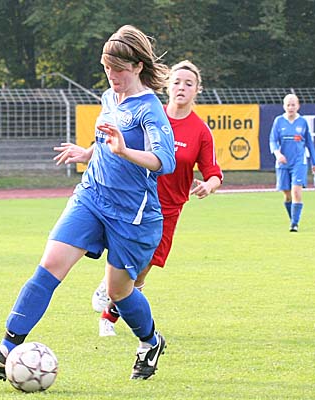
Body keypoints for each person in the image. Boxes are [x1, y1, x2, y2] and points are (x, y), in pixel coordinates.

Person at [0, 24, 175, 381]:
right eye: (107, 68)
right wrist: (89, 152)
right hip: (92, 197)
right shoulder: (109, 97)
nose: (112, 76)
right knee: (49, 265)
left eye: (119, 69)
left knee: (118, 292)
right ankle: (5, 350)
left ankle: (150, 341)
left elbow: (165, 161)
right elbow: (107, 140)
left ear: (138, 66)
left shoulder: (150, 109)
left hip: (133, 215)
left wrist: (124, 151)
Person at [89, 60, 224, 336]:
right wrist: (87, 153)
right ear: (167, 86)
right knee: (122, 256)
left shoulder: (200, 131)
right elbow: (116, 141)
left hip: (168, 211)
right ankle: (108, 312)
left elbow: (214, 172)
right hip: (135, 198)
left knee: (142, 270)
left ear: (197, 90)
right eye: (177, 82)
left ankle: (110, 309)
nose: (181, 87)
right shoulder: (150, 112)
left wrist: (209, 186)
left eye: (188, 83)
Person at [269, 93, 315, 232]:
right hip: (283, 163)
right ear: (284, 106)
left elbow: (309, 143)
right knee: (287, 194)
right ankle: (293, 218)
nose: (290, 107)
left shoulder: (302, 122)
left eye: (293, 105)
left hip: (299, 162)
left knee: (296, 191)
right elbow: (273, 140)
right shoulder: (279, 121)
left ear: (298, 106)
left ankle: (294, 224)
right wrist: (278, 154)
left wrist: (314, 162)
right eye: (288, 105)